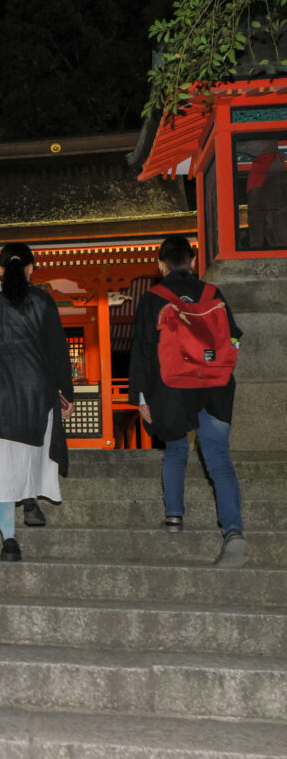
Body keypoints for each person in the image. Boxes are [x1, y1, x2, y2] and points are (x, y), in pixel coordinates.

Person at [128, 235, 245, 567]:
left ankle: (175, 517)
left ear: (161, 265)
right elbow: (234, 335)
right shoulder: (213, 294)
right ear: (193, 262)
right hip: (215, 387)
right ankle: (233, 531)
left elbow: (142, 352)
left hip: (171, 389)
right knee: (219, 460)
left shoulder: (154, 298)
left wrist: (140, 397)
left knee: (176, 450)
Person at [0, 242, 74, 561]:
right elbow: (58, 352)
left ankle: (9, 541)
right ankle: (30, 498)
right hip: (38, 392)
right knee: (30, 456)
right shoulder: (43, 301)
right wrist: (66, 392)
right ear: (31, 269)